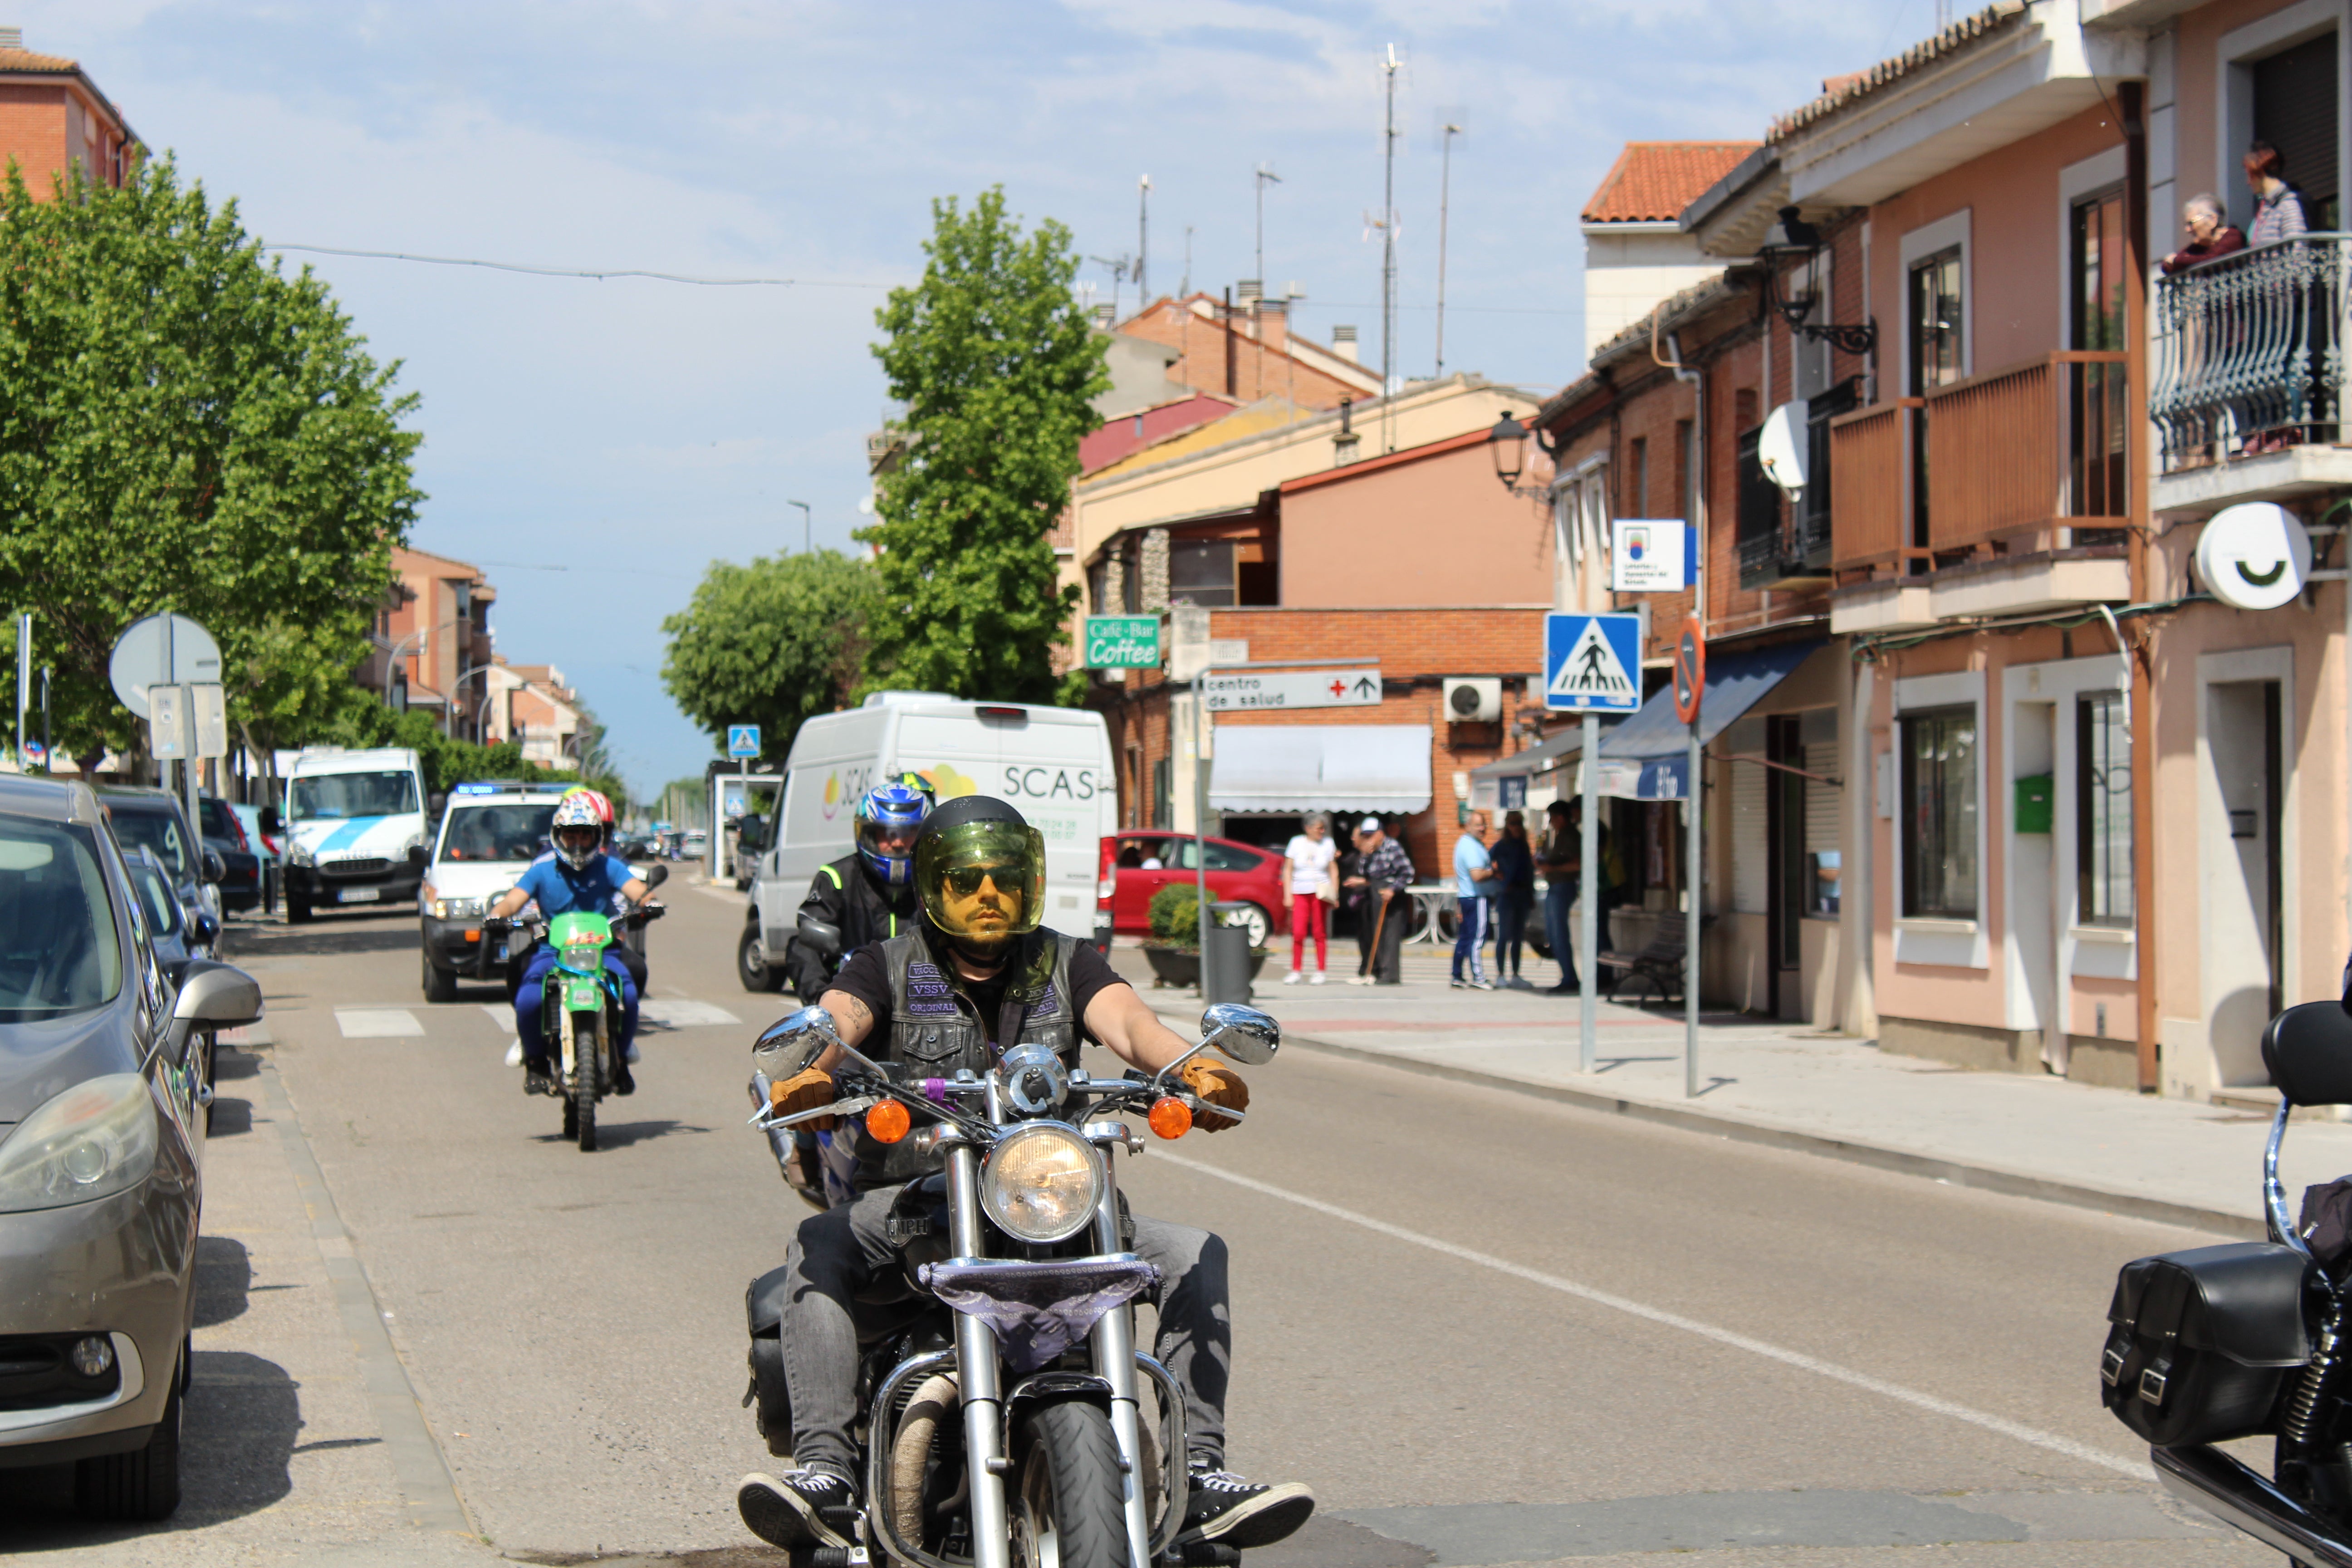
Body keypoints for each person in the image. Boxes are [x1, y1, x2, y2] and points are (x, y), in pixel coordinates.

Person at [736, 796, 1314, 1555]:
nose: (987, 896)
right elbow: (839, 1016)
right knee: (818, 1243)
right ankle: (827, 1474)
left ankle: (1200, 1474)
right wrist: (812, 1073)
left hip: (1051, 1197)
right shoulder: (886, 963)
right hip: (927, 1198)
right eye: (967, 881)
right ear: (932, 886)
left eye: (1003, 880)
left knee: (1193, 1252)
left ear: (1029, 884)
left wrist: (1194, 1070)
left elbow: (1133, 1028)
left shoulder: (1066, 960)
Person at [765, 778, 931, 1207]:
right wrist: (822, 997)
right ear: (867, 834)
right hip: (851, 1011)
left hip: (924, 1014)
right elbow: (805, 942)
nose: (896, 844)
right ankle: (803, 1147)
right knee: (813, 1076)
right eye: (886, 834)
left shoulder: (936, 882)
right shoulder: (837, 878)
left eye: (907, 834)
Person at [486, 792, 650, 1096]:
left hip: (603, 952)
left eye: (585, 836)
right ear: (557, 836)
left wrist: (649, 902)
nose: (577, 843)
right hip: (553, 953)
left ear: (596, 837)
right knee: (529, 1000)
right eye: (570, 835)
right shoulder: (542, 870)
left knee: (627, 991)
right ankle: (534, 1060)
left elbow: (637, 890)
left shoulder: (609, 866)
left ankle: (622, 1056)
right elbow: (513, 900)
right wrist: (497, 915)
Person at [1343, 816, 1413, 985]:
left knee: (1390, 935)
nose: (1368, 839)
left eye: (1371, 835)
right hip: (1376, 891)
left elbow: (1407, 872)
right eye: (1366, 836)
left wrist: (1393, 889)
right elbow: (1364, 872)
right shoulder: (1371, 851)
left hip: (1391, 893)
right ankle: (1379, 971)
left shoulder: (1392, 847)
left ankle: (1391, 975)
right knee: (1378, 933)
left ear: (1380, 834)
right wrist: (1366, 854)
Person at [1281, 813, 1338, 984]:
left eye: (1324, 828)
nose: (1322, 831)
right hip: (1300, 891)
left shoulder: (1328, 844)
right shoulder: (1296, 843)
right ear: (1308, 828)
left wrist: (1335, 894)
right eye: (1319, 828)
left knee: (1319, 932)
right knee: (1298, 933)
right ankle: (1296, 970)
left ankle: (1320, 970)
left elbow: (1333, 870)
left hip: (1320, 892)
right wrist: (1287, 894)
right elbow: (1288, 870)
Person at [1450, 811, 1497, 990]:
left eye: (1484, 824)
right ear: (1468, 826)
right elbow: (1477, 875)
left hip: (1466, 896)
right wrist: (1494, 871)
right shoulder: (1470, 846)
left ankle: (1457, 975)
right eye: (1478, 825)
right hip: (1476, 898)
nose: (1482, 828)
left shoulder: (1466, 844)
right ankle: (1478, 977)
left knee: (1465, 938)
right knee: (1478, 938)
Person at [1538, 799, 1580, 995]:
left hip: (1563, 887)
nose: (1551, 822)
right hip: (1556, 887)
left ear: (1560, 817)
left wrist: (1552, 868)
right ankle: (1567, 976)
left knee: (1558, 934)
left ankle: (1569, 978)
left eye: (1552, 818)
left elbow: (1578, 864)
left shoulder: (1571, 836)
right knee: (1554, 934)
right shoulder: (1561, 835)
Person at [1490, 809, 1535, 987]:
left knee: (1518, 936)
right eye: (1513, 824)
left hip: (1523, 894)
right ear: (1507, 826)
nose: (1516, 827)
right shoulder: (1501, 845)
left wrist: (1531, 894)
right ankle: (1500, 974)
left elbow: (1530, 872)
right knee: (1504, 935)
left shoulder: (1524, 846)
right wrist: (1498, 876)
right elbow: (1487, 861)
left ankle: (1516, 974)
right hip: (1507, 895)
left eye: (1519, 823)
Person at [2161, 193, 2246, 273]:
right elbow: (2167, 265)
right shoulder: (2199, 247)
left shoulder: (2233, 236)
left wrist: (2177, 260)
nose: (2187, 230)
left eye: (2191, 223)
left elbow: (2214, 260)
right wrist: (2171, 262)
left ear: (2212, 220)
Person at [2247, 141, 2308, 247]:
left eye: (2250, 175)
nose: (2248, 182)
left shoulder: (2288, 206)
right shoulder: (2265, 208)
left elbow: (2297, 251)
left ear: (2260, 172)